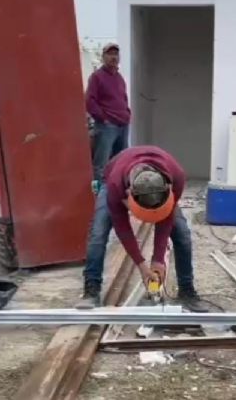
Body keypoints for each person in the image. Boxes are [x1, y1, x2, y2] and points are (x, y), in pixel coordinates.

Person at [78, 145, 206, 312]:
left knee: (182, 233)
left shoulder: (177, 177)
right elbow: (123, 229)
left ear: (167, 189)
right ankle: (91, 290)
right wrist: (142, 266)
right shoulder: (116, 186)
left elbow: (165, 219)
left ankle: (187, 291)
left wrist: (158, 260)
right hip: (112, 176)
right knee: (98, 233)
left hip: (148, 171)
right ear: (128, 194)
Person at [85, 43, 131, 192]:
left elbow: (123, 98)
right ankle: (96, 195)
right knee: (100, 165)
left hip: (123, 125)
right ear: (103, 57)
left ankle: (116, 194)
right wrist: (103, 119)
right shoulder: (97, 77)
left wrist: (127, 114)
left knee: (121, 162)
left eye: (116, 54)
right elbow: (90, 101)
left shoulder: (119, 78)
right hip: (107, 126)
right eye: (110, 54)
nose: (114, 57)